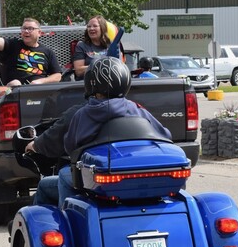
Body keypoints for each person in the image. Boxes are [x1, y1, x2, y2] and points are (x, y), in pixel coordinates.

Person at [56, 56, 171, 205]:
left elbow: (70, 148)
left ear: (91, 83)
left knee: (62, 176)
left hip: (101, 179)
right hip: (139, 173)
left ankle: (68, 216)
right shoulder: (135, 108)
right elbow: (165, 136)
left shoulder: (82, 114)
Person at [0, 2, 62, 86]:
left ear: (39, 33)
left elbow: (57, 76)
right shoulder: (13, 45)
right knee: (16, 83)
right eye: (24, 28)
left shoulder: (48, 52)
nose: (26, 31)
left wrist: (40, 81)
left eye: (30, 29)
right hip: (14, 91)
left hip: (38, 90)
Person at [72, 15, 112, 80]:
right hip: (89, 84)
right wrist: (99, 66)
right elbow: (78, 71)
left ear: (102, 28)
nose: (91, 29)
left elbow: (119, 66)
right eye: (89, 26)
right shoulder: (81, 46)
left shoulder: (112, 45)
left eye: (95, 26)